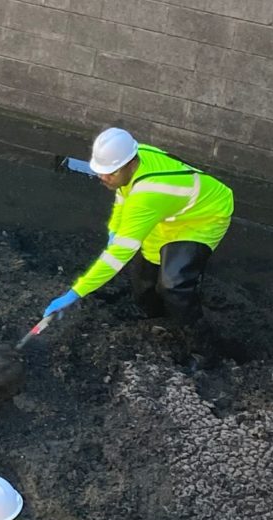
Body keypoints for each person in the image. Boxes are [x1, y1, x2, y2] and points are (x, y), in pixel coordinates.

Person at [44, 127, 234, 367]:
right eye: (101, 171)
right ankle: (162, 321)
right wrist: (116, 227)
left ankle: (204, 351)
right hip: (168, 212)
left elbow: (116, 258)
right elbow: (124, 194)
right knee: (143, 283)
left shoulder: (148, 194)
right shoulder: (133, 161)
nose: (103, 178)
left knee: (174, 285)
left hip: (203, 216)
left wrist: (75, 293)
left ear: (129, 164)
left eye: (109, 173)